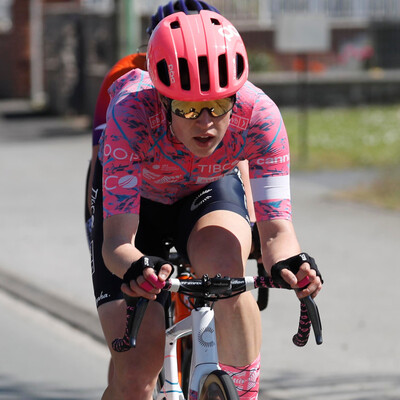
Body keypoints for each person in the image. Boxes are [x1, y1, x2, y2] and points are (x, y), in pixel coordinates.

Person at [90, 8, 323, 400]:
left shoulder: (260, 116)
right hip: (136, 213)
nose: (206, 123)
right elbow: (117, 243)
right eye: (186, 108)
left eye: (218, 106)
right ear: (163, 100)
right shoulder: (129, 114)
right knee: (137, 374)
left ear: (236, 96)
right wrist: (134, 267)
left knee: (225, 269)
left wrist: (289, 262)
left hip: (207, 192)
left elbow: (277, 233)